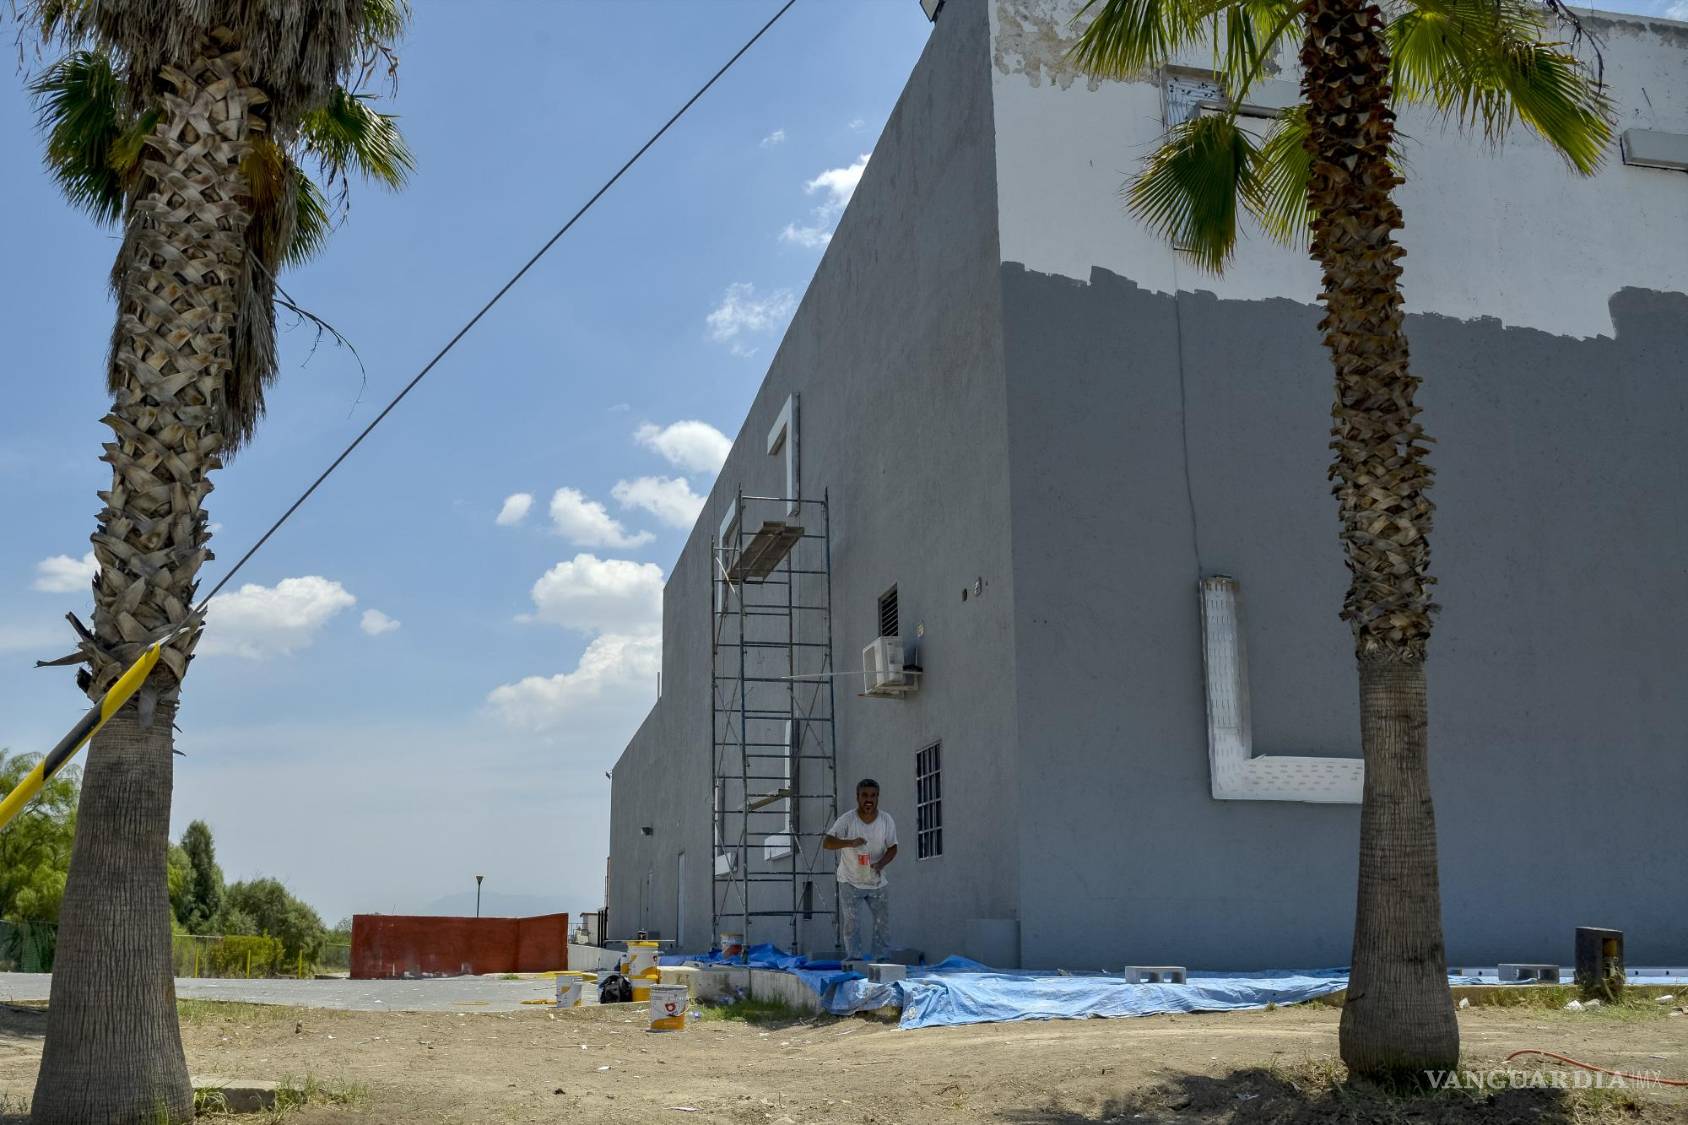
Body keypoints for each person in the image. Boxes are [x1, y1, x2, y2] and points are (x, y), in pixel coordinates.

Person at [823, 778, 898, 962]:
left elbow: (893, 847)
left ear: (877, 797)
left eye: (873, 796)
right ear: (857, 797)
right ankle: (854, 958)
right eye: (864, 795)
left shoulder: (886, 820)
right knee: (852, 922)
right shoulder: (848, 820)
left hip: (876, 880)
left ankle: (881, 959)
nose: (869, 800)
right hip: (850, 880)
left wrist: (880, 864)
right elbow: (827, 842)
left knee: (882, 922)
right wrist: (850, 842)